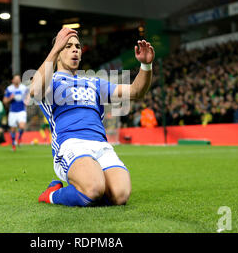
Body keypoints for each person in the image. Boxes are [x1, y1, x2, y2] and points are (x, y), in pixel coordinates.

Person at [31, 27, 154, 207]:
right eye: (68, 46)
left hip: (101, 145)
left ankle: (87, 191)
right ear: (58, 52)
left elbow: (135, 91)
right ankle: (52, 194)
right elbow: (34, 91)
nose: (75, 49)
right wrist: (55, 48)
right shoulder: (51, 81)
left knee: (120, 196)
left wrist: (146, 65)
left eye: (78, 46)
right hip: (71, 144)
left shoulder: (94, 82)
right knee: (94, 188)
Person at [3, 75, 29, 151]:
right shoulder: (9, 89)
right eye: (16, 79)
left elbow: (28, 95)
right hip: (13, 111)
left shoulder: (23, 88)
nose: (17, 80)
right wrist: (10, 98)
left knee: (22, 127)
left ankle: (19, 138)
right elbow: (4, 101)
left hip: (21, 110)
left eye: (18, 78)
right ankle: (13, 144)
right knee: (13, 129)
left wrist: (27, 100)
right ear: (12, 80)